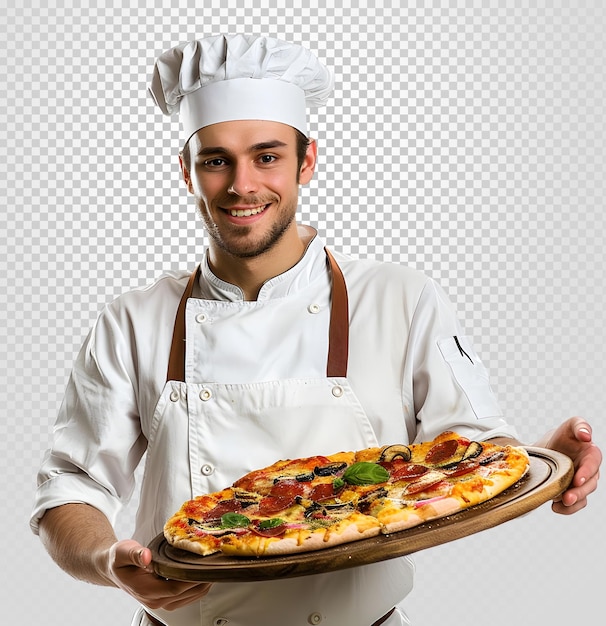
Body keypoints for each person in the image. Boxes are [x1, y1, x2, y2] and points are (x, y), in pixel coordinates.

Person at [31, 34, 601, 626]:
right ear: (186, 171)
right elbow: (70, 487)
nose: (242, 185)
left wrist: (539, 468)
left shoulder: (401, 298)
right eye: (216, 159)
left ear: (308, 161)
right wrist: (104, 558)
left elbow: (476, 456)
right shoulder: (131, 320)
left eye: (267, 156)